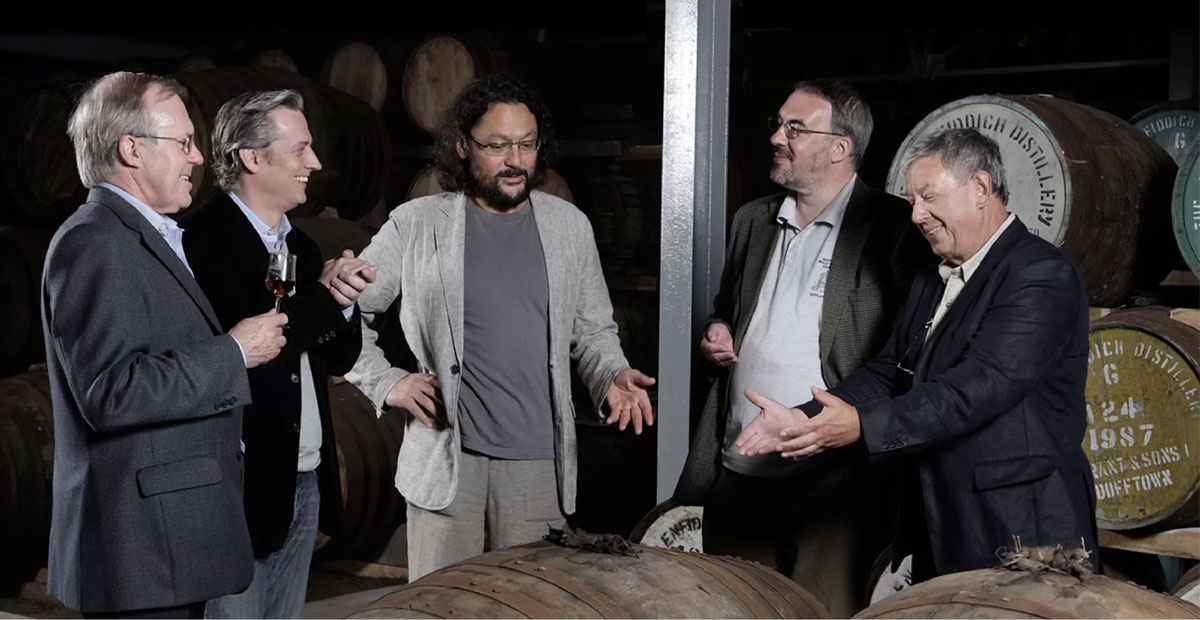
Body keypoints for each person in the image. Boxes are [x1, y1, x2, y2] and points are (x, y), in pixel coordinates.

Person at [737, 127, 1100, 582]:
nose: (916, 215)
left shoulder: (1040, 274)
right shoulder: (932, 277)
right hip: (943, 515)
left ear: (981, 188)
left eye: (928, 197)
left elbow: (977, 388)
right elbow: (890, 371)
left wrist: (861, 428)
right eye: (911, 201)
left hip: (1022, 524)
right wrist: (804, 418)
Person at [346, 73, 656, 580]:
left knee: (527, 612)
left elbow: (594, 333)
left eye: (527, 144)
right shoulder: (417, 223)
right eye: (498, 145)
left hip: (538, 470)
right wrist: (390, 383)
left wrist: (612, 376)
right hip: (448, 464)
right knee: (440, 613)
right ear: (464, 146)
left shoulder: (568, 227)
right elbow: (344, 314)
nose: (516, 160)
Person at [672, 79, 926, 616]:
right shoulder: (752, 221)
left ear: (840, 148)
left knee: (821, 611)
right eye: (778, 124)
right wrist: (718, 331)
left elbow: (905, 355)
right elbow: (729, 310)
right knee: (732, 607)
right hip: (739, 465)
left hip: (833, 484)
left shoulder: (895, 229)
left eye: (796, 128)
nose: (776, 138)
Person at [43, 71, 288, 619]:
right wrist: (233, 353)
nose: (198, 157)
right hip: (142, 552)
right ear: (131, 149)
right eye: (182, 142)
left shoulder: (137, 234)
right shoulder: (96, 243)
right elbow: (111, 392)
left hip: (167, 542)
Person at [180, 89, 377, 618]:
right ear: (252, 157)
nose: (314, 163)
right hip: (239, 483)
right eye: (300, 149)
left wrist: (343, 303)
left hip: (303, 474)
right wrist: (324, 297)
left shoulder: (303, 248)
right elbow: (257, 345)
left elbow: (334, 360)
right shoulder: (202, 242)